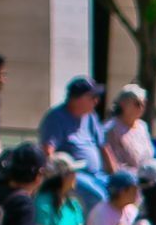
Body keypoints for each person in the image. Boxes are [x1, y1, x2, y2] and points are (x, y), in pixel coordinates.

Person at [37, 77, 109, 206]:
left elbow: (104, 147)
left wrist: (115, 173)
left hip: (98, 175)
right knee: (100, 198)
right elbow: (48, 151)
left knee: (122, 188)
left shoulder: (91, 117)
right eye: (92, 97)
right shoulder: (56, 118)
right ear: (77, 99)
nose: (96, 101)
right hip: (74, 175)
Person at [103, 84, 154, 174]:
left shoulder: (142, 126)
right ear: (123, 103)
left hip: (146, 174)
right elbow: (111, 164)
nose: (141, 107)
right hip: (126, 176)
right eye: (137, 103)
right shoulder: (111, 128)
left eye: (144, 103)